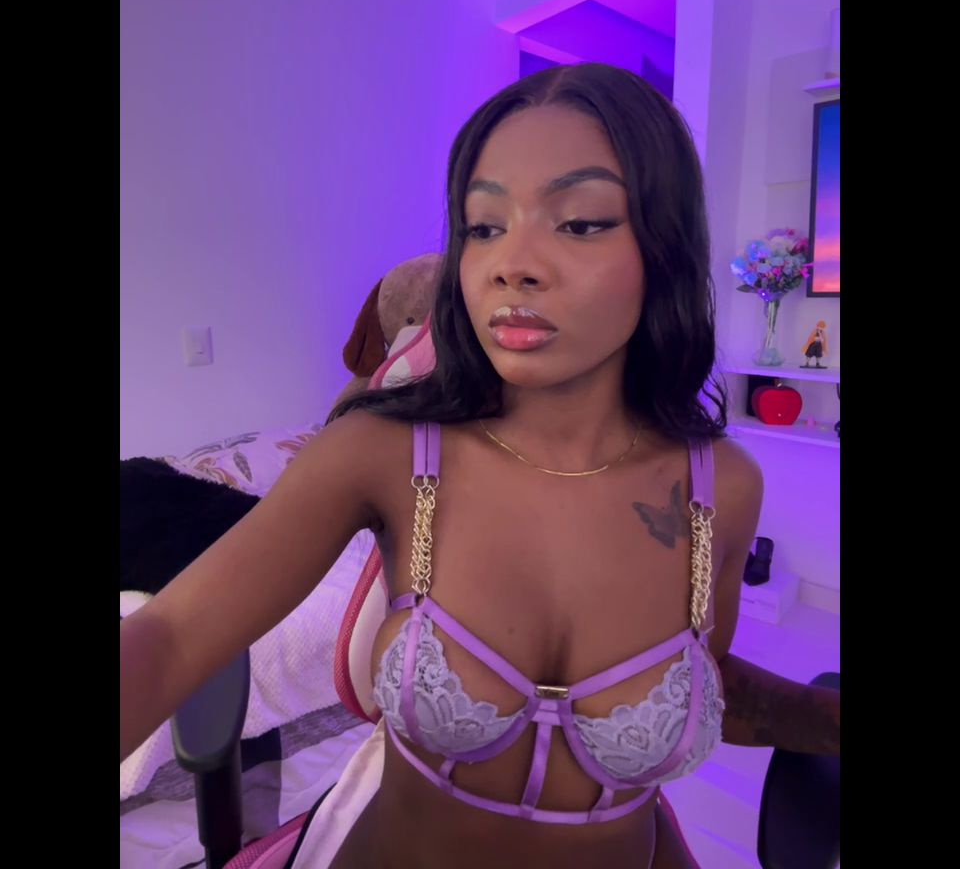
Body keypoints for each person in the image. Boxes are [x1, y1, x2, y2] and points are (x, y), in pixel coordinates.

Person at [121, 63, 837, 869]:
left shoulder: (721, 489)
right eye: (484, 227)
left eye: (580, 223)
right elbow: (170, 636)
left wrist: (824, 721)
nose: (511, 264)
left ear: (663, 245)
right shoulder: (383, 453)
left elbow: (700, 683)